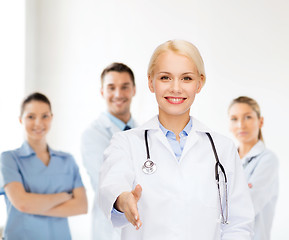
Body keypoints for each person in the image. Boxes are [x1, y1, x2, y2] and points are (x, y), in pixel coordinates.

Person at [99, 40, 254, 240]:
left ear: (200, 83)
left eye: (186, 78)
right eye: (165, 77)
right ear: (150, 82)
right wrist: (123, 200)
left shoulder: (223, 148)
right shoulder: (126, 143)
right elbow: (112, 184)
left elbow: (239, 224)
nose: (176, 88)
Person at [0, 92, 88, 240]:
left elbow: (81, 206)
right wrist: (63, 197)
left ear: (51, 118)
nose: (38, 123)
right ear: (21, 119)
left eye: (45, 116)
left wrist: (33, 205)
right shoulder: (9, 159)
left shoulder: (67, 160)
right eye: (31, 116)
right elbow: (22, 204)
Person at [81, 62, 136, 240]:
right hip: (110, 231)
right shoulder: (93, 134)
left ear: (133, 90)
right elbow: (106, 183)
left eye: (124, 87)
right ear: (102, 92)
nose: (118, 94)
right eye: (111, 88)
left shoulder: (143, 132)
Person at [228, 96, 279, 240]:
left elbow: (247, 206)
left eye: (248, 117)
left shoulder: (268, 160)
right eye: (234, 119)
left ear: (260, 121)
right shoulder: (226, 160)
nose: (240, 125)